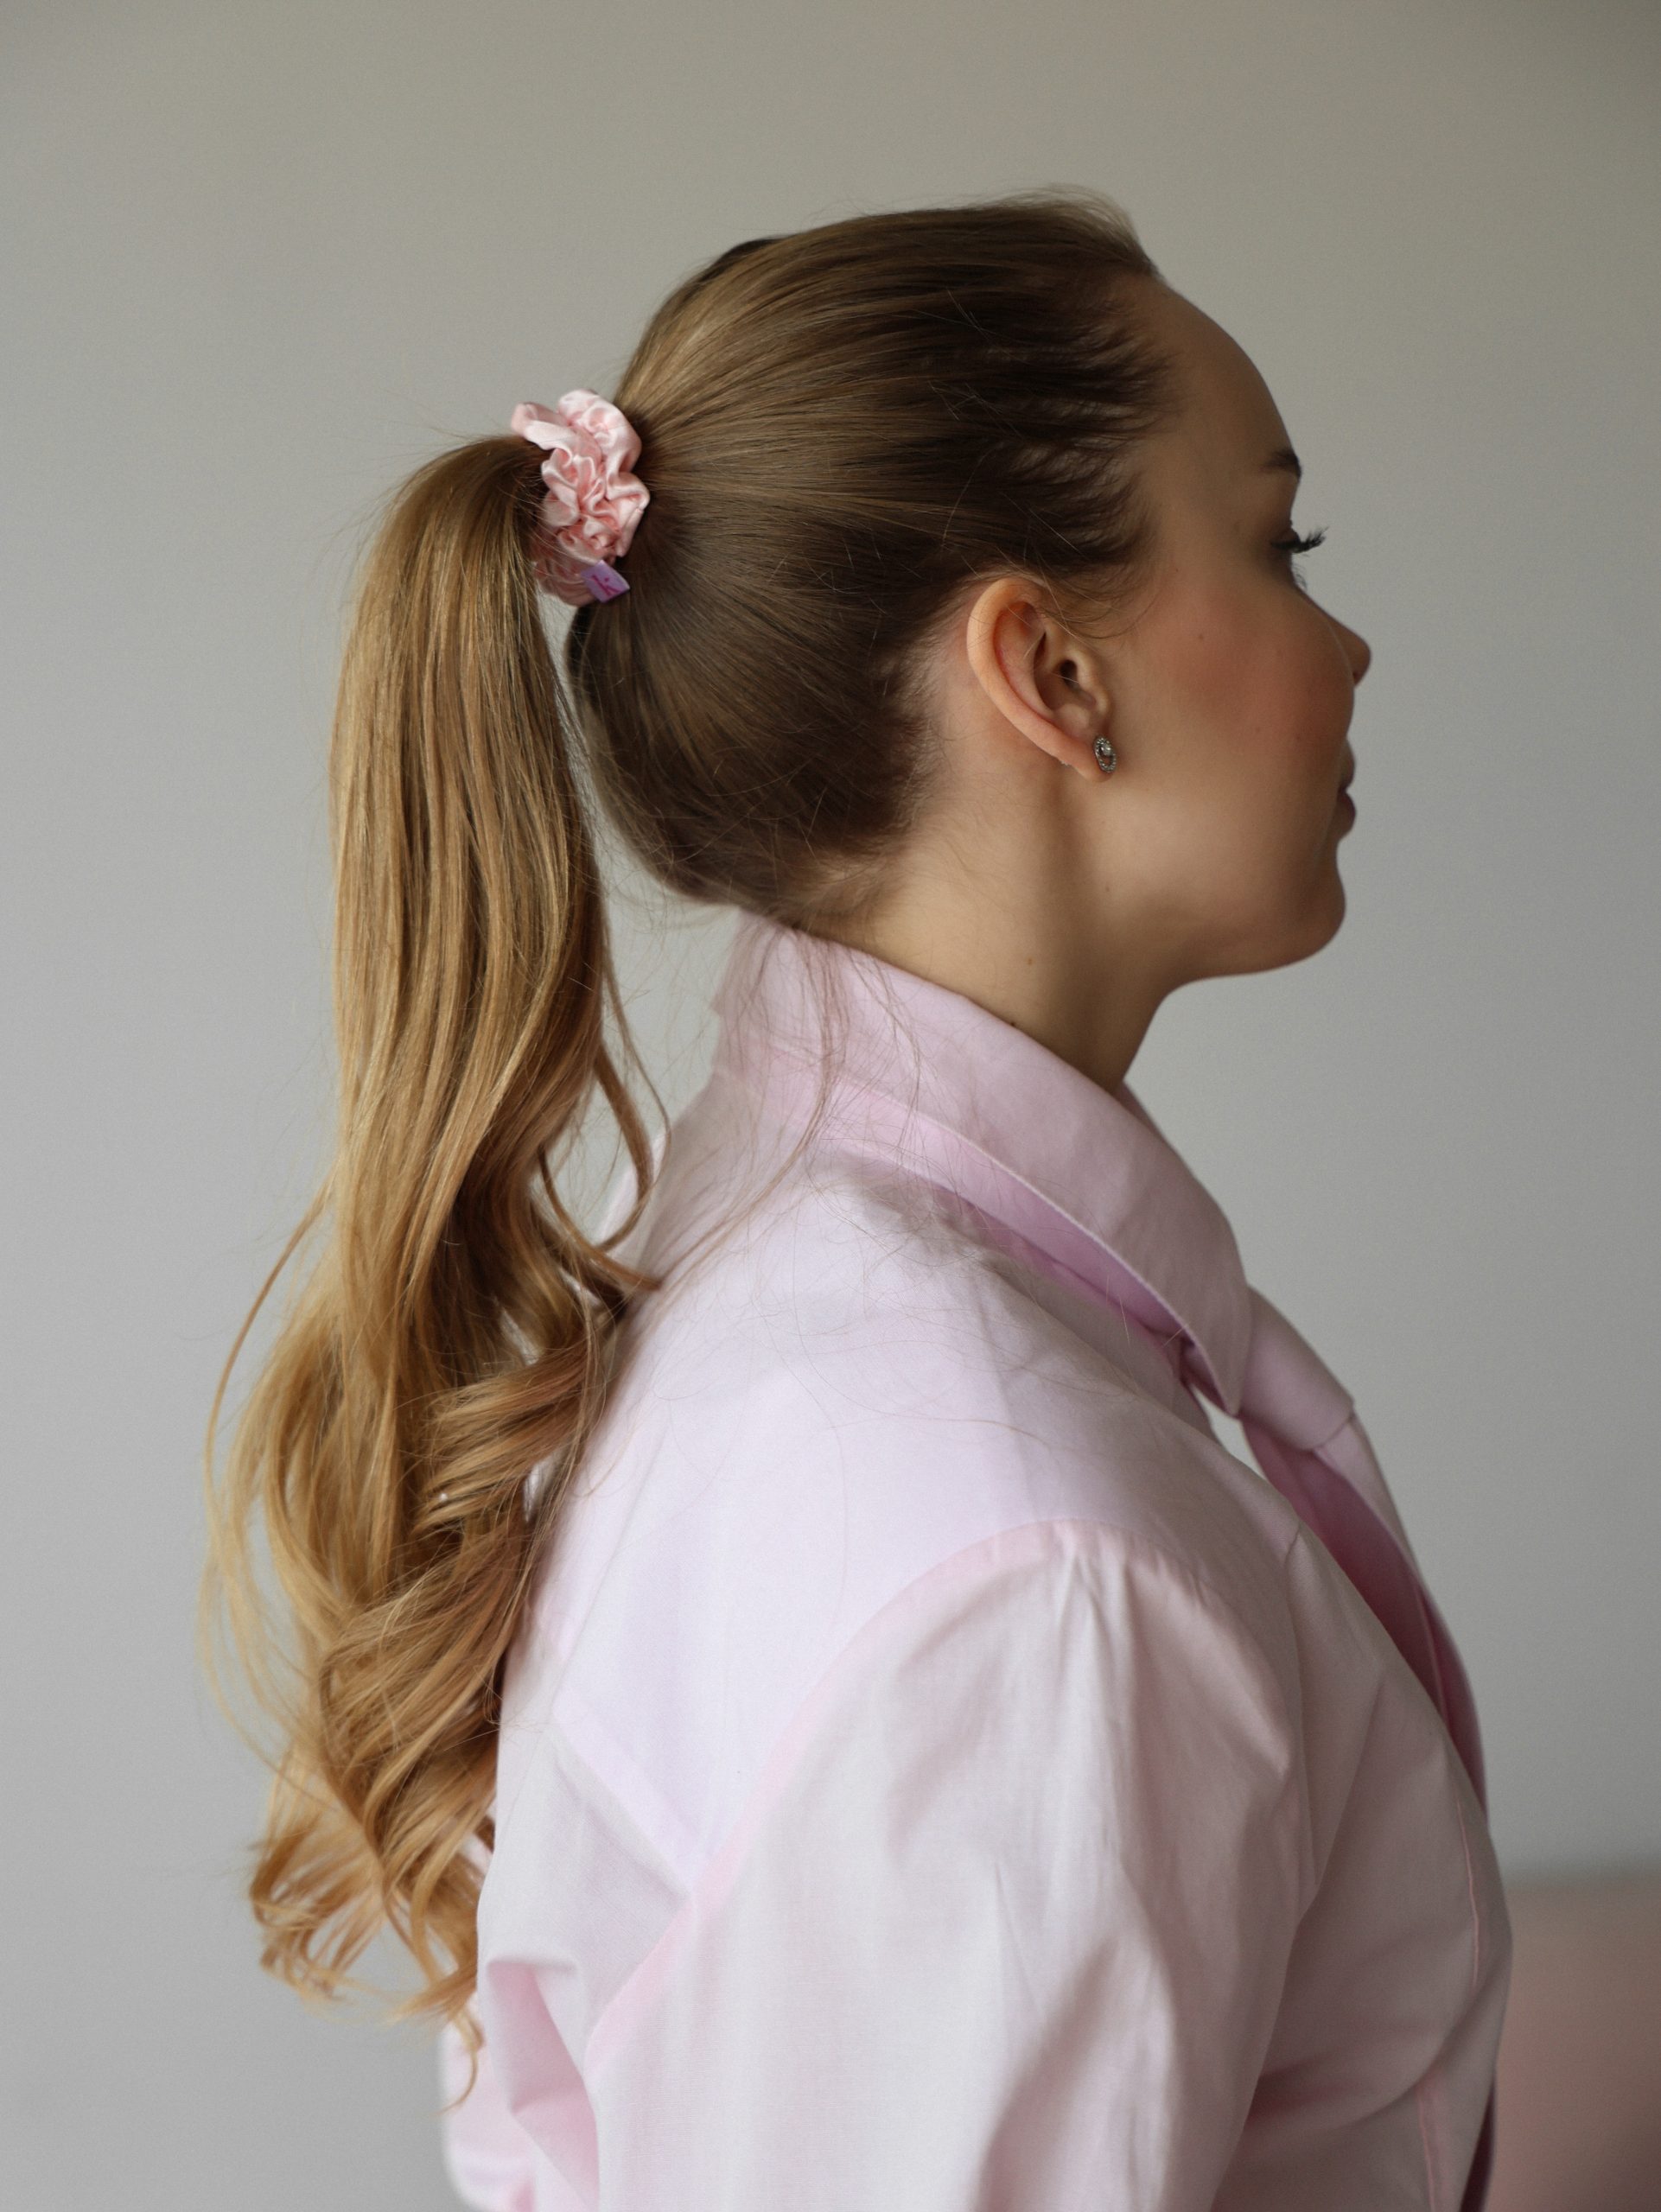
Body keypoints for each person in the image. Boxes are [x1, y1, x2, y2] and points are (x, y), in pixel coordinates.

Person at [205, 190, 1510, 2209]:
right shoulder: (1039, 1577)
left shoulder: (766, 1232)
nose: (1342, 643)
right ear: (1047, 667)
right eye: (1278, 545)